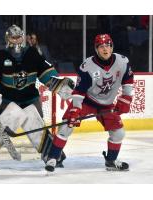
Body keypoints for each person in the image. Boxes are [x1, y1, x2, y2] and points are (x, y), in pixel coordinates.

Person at [0, 24, 74, 169]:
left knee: (35, 123)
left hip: (30, 100)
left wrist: (62, 87)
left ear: (23, 38)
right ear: (7, 38)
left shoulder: (33, 53)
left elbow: (47, 73)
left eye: (19, 37)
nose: (16, 40)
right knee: (7, 120)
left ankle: (53, 156)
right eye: (13, 37)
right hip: (8, 101)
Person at [45, 34, 134, 172]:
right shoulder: (87, 66)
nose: (105, 49)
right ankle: (52, 158)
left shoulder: (122, 62)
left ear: (112, 47)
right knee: (66, 126)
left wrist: (126, 98)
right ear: (96, 49)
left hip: (107, 104)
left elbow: (128, 80)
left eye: (108, 45)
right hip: (87, 100)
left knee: (119, 133)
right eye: (101, 46)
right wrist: (75, 110)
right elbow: (79, 92)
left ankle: (111, 161)